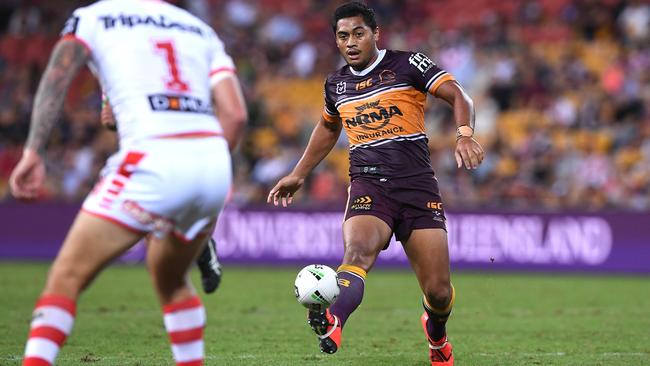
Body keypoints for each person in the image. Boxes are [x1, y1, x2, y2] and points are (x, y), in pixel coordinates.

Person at [9, 0, 247, 365]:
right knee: (170, 281)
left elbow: (58, 77)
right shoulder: (198, 28)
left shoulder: (93, 17)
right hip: (211, 162)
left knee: (65, 278)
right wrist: (202, 168)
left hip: (153, 160)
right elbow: (236, 115)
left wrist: (33, 150)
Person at [267, 2, 484, 365]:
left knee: (439, 291)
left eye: (357, 33)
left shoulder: (407, 64)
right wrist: (299, 172)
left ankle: (436, 336)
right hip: (369, 185)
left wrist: (464, 135)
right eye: (342, 36)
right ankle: (333, 320)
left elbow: (458, 94)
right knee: (356, 255)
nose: (350, 42)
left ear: (375, 33)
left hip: (417, 187)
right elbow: (328, 126)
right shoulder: (336, 84)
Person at [102, 96, 223, 294]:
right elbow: (109, 117)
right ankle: (200, 246)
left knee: (160, 255)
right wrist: (109, 109)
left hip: (172, 141)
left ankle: (197, 245)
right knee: (157, 243)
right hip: (146, 145)